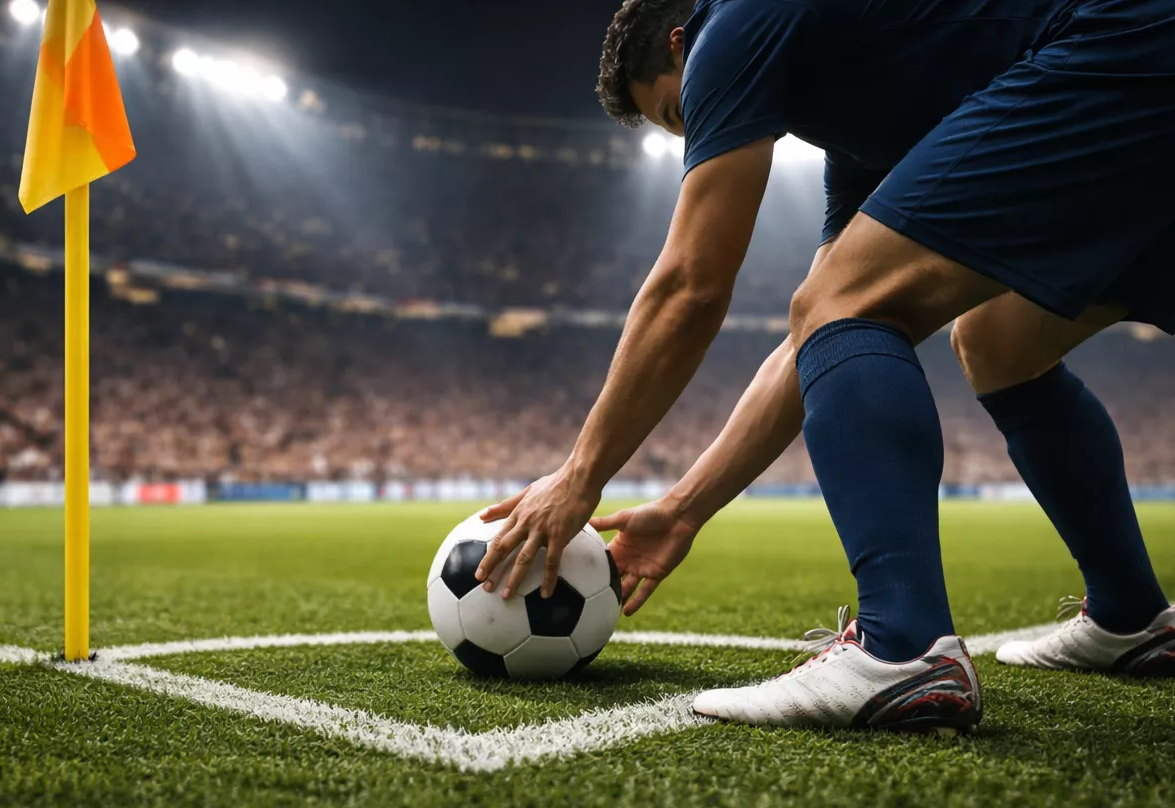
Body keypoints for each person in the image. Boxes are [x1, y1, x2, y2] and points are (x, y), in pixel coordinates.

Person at [475, 0, 1175, 732]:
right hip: (1137, 62)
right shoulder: (861, 126)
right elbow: (809, 341)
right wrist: (684, 509)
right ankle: (1132, 616)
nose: (703, 133)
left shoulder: (732, 21)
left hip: (1117, 45)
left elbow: (693, 286)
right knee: (1000, 341)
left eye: (684, 109)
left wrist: (581, 474)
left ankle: (903, 647)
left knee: (848, 302)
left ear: (683, 43)